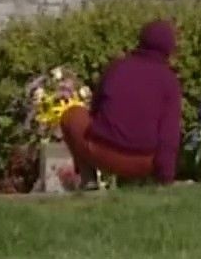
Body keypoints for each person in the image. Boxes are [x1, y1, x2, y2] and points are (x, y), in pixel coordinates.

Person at [60, 20, 184, 188]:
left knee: (72, 115)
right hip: (143, 162)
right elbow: (169, 135)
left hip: (102, 152)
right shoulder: (169, 81)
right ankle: (141, 183)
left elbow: (95, 110)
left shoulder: (117, 68)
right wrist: (166, 178)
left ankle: (88, 179)